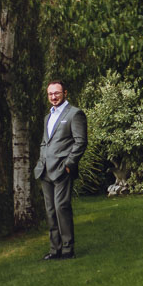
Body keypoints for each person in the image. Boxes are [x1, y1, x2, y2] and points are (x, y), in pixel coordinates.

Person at [33, 79, 88, 260]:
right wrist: (41, 161)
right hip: (45, 171)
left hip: (62, 170)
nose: (53, 97)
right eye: (50, 94)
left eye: (56, 93)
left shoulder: (75, 114)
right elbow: (44, 142)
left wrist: (69, 165)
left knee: (61, 208)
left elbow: (80, 142)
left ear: (65, 93)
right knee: (50, 211)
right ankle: (54, 250)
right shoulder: (47, 117)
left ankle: (67, 249)